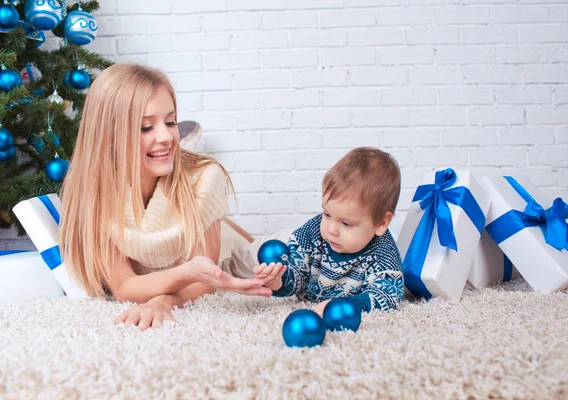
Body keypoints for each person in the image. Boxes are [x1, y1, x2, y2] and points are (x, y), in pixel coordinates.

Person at [58, 63, 271, 330]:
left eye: (170, 122)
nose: (167, 136)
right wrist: (186, 272)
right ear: (109, 137)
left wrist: (163, 301)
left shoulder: (205, 177)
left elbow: (206, 282)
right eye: (146, 127)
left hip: (237, 257)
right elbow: (124, 285)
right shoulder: (98, 194)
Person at [222, 147, 404, 316]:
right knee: (246, 262)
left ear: (381, 223)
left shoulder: (383, 254)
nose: (331, 229)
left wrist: (348, 305)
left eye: (346, 224)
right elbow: (297, 271)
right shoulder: (312, 234)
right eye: (327, 214)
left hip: (342, 303)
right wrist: (278, 281)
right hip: (290, 247)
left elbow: (387, 295)